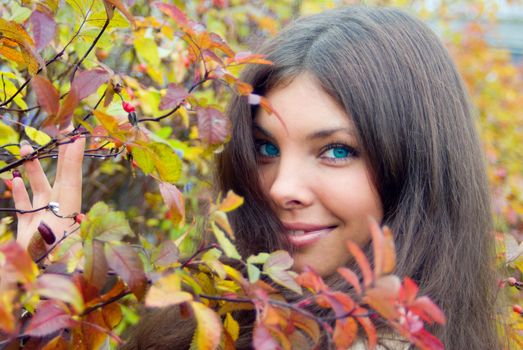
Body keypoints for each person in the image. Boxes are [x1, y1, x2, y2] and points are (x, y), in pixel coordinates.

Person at [13, 6, 502, 349]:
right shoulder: (204, 318)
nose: (279, 187)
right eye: (266, 148)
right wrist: (34, 301)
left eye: (335, 150)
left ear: (416, 171)